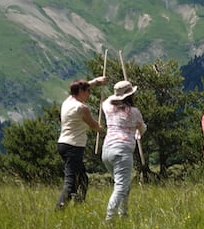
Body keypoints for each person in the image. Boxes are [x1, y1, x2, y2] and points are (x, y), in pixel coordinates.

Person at [55, 76, 106, 209]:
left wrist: (95, 82)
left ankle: (79, 206)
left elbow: (78, 87)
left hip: (64, 144)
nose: (89, 93)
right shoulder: (82, 108)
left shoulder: (68, 101)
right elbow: (94, 125)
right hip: (74, 146)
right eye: (88, 91)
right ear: (82, 92)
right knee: (71, 180)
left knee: (82, 179)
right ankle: (59, 208)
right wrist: (101, 129)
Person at [101, 80, 146, 221]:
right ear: (130, 96)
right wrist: (139, 132)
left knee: (122, 185)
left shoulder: (107, 107)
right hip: (122, 150)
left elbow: (108, 100)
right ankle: (109, 219)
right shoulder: (134, 112)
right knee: (120, 187)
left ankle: (123, 215)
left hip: (107, 150)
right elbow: (142, 127)